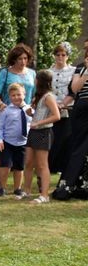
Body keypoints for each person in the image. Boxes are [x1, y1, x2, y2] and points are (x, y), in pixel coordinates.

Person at [21, 71, 60, 203]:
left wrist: (38, 122)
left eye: (36, 78)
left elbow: (56, 116)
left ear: (39, 80)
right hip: (34, 132)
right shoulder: (39, 96)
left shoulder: (49, 97)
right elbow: (40, 114)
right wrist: (31, 114)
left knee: (42, 165)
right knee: (28, 163)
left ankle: (44, 195)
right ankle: (26, 190)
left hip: (44, 132)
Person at [55, 51, 88, 198]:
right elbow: (75, 89)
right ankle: (71, 185)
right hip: (82, 110)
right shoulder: (81, 68)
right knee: (79, 146)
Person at [0, 83, 31, 197]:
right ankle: (2, 187)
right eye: (13, 95)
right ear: (9, 97)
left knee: (19, 166)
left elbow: (32, 123)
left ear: (24, 94)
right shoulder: (5, 110)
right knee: (5, 165)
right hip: (7, 142)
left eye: (18, 94)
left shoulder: (29, 109)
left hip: (23, 142)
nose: (16, 97)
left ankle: (17, 188)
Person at [48, 42, 75, 174]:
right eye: (57, 54)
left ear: (68, 56)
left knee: (66, 138)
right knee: (52, 138)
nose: (60, 57)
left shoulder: (74, 71)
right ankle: (51, 165)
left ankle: (63, 166)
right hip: (52, 109)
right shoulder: (48, 71)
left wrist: (63, 104)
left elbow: (75, 90)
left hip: (68, 108)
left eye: (63, 55)